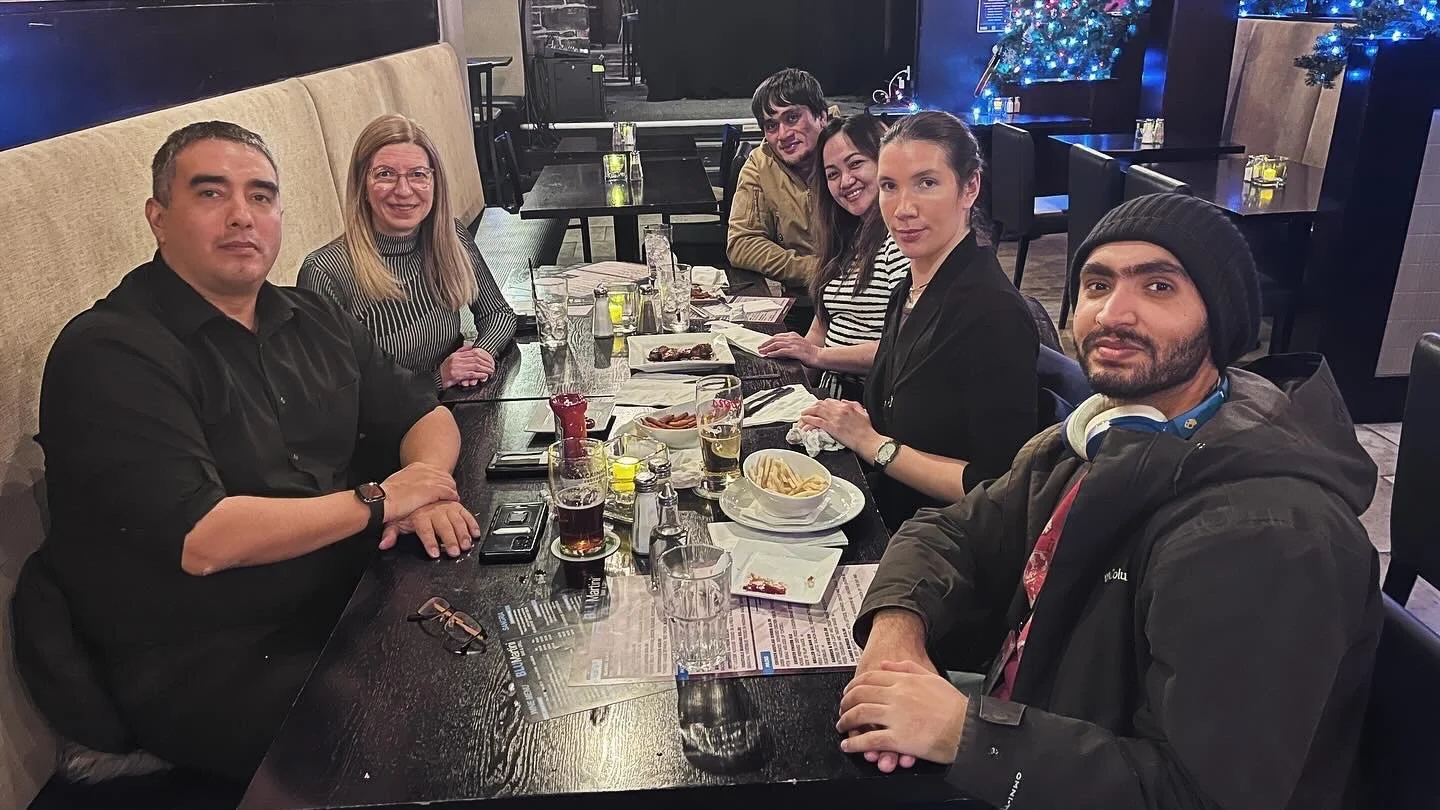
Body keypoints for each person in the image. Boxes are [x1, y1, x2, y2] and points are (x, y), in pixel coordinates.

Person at [838, 193, 1381, 809]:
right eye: (1097, 285)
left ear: (1221, 319)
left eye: (1158, 287)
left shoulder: (1266, 535)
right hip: (1037, 734)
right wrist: (896, 642)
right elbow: (949, 531)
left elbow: (1198, 795)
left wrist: (965, 734)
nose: (1112, 314)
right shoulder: (1103, 435)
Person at [11, 121, 482, 785]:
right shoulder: (109, 352)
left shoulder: (312, 317)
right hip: (209, 659)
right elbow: (204, 539)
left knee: (502, 655)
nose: (241, 216)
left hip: (341, 599)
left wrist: (426, 481)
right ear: (158, 217)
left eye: (261, 197)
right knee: (431, 739)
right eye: (210, 194)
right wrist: (381, 501)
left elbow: (423, 414)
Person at [798, 111, 1038, 529]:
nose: (903, 208)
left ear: (970, 187)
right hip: (883, 505)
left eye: (927, 183)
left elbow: (998, 485)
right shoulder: (909, 288)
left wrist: (873, 444)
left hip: (937, 540)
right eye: (890, 186)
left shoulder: (993, 313)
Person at [298, 114, 516, 390]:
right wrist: (439, 379)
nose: (403, 190)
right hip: (388, 429)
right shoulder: (325, 271)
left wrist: (480, 354)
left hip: (457, 402)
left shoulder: (451, 235)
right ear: (362, 185)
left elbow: (498, 313)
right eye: (385, 174)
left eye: (418, 175)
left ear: (434, 183)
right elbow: (334, 395)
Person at [757, 114, 910, 401]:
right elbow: (821, 327)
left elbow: (905, 348)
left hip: (870, 406)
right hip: (830, 395)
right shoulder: (848, 236)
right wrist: (792, 397)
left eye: (855, 164)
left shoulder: (902, 242)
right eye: (832, 174)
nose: (845, 181)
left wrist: (818, 356)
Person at [727, 68, 830, 331]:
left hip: (865, 304)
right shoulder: (760, 164)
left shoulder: (853, 152)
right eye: (771, 126)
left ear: (822, 116)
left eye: (792, 117)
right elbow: (741, 243)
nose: (783, 135)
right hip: (802, 305)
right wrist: (814, 270)